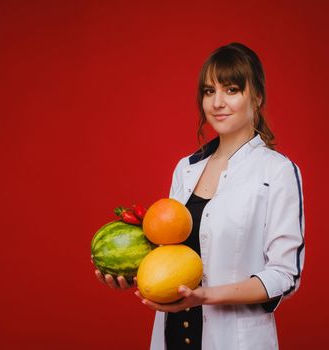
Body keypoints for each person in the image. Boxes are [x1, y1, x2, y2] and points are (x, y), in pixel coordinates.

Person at [94, 42, 305, 350]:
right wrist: (129, 272)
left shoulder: (277, 172)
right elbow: (168, 253)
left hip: (233, 340)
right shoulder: (186, 169)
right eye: (209, 91)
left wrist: (206, 295)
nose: (217, 102)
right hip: (173, 337)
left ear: (256, 97)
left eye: (231, 90)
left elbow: (284, 275)